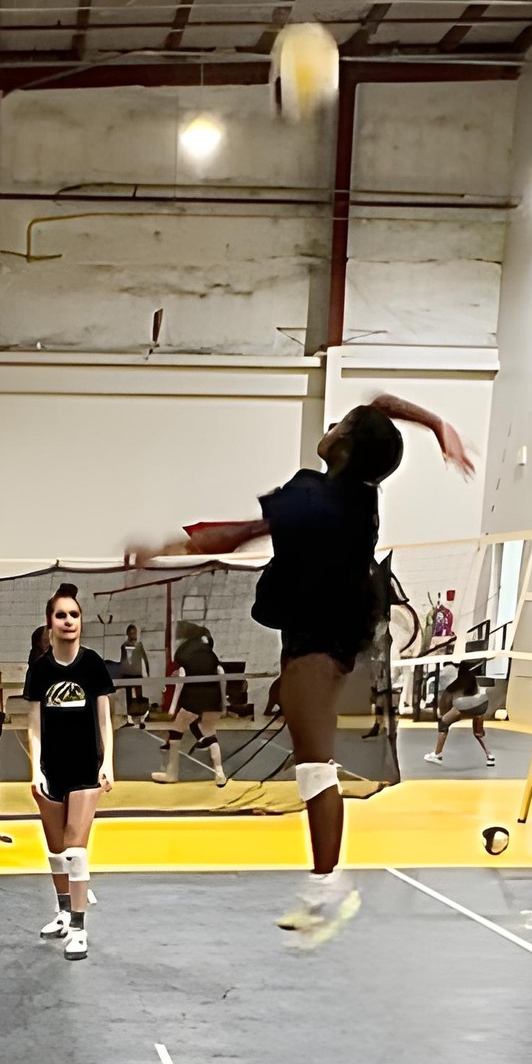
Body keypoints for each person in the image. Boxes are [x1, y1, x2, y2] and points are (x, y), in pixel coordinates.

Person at [130, 394, 474, 944]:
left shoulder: (316, 498)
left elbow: (239, 533)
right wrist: (435, 422)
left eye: (340, 424)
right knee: (308, 754)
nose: (331, 423)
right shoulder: (358, 490)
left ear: (345, 448)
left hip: (321, 639)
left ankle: (329, 886)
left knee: (315, 767)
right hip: (327, 628)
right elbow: (378, 406)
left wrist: (168, 549)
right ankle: (327, 882)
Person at [23, 587, 114, 962]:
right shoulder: (41, 670)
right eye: (61, 615)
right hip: (52, 769)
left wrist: (107, 762)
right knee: (57, 851)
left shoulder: (92, 664)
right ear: (50, 624)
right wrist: (35, 770)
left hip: (86, 768)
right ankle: (63, 913)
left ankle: (79, 928)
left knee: (76, 850)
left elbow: (105, 719)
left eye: (74, 615)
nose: (68, 621)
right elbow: (33, 726)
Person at [151, 619, 229, 787]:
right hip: (212, 699)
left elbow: (181, 677)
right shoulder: (211, 656)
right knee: (210, 732)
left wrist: (173, 707)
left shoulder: (185, 654)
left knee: (176, 731)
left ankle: (172, 773)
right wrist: (223, 703)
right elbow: (221, 675)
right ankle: (220, 773)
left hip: (193, 698)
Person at [425, 660, 495, 767]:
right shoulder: (472, 679)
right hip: (482, 705)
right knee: (478, 733)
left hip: (465, 706)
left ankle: (437, 754)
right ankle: (489, 755)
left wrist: (444, 714)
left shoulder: (460, 681)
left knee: (443, 724)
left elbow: (446, 699)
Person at [116, 622, 151, 725]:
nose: (133, 635)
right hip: (127, 674)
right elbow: (122, 660)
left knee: (139, 695)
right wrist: (121, 673)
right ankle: (129, 717)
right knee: (128, 697)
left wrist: (147, 672)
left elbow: (145, 659)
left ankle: (141, 716)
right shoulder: (124, 646)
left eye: (134, 633)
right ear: (128, 634)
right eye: (131, 633)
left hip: (137, 673)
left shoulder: (139, 646)